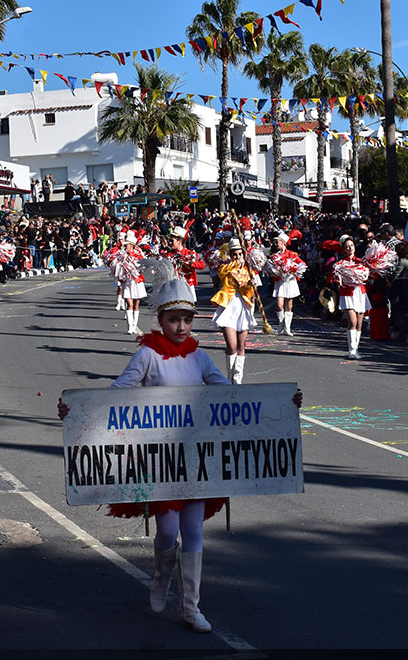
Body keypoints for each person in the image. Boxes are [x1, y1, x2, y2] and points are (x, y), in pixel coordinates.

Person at [56, 271, 301, 633]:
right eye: (174, 320)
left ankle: (191, 607)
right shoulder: (147, 356)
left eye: (187, 320)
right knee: (168, 533)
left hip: (198, 461)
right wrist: (78, 410)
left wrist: (281, 406)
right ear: (161, 321)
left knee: (194, 532)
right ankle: (160, 579)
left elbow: (229, 395)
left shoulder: (200, 358)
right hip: (160, 462)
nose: (182, 327)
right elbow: (118, 392)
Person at [210, 239, 256, 383]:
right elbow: (222, 274)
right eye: (234, 254)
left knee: (241, 346)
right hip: (228, 307)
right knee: (232, 345)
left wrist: (251, 284)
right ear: (230, 255)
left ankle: (238, 380)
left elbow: (250, 293)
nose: (237, 257)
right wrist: (235, 265)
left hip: (242, 307)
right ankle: (230, 376)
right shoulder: (225, 268)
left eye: (240, 254)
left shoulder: (248, 271)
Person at [332, 235, 369, 360]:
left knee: (359, 324)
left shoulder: (362, 262)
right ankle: (351, 350)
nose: (350, 248)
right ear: (344, 249)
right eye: (347, 247)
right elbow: (335, 279)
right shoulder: (340, 264)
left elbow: (368, 276)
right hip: (347, 294)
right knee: (352, 322)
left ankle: (356, 349)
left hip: (360, 293)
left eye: (351, 245)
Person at [268, 232, 305, 337]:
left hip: (290, 281)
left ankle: (287, 328)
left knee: (289, 305)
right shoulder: (274, 256)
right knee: (279, 306)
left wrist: (292, 270)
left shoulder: (293, 255)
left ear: (283, 243)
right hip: (280, 281)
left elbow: (302, 265)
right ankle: (281, 323)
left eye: (278, 241)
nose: (276, 243)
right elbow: (270, 268)